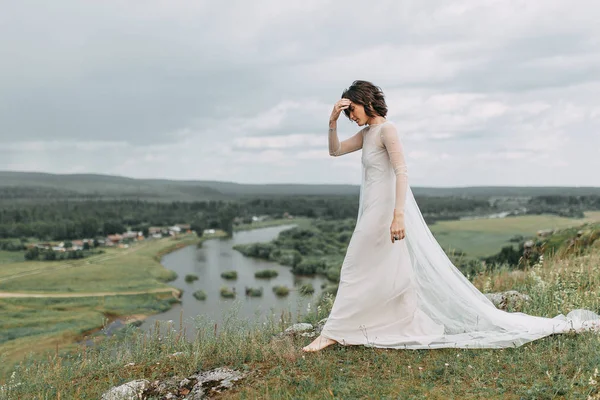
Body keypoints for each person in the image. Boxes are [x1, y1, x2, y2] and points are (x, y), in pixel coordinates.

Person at [302, 80, 600, 352]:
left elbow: (402, 172)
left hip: (385, 213)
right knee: (382, 269)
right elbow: (335, 150)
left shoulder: (387, 130)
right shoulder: (367, 134)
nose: (350, 116)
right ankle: (390, 323)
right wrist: (331, 121)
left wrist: (398, 216)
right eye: (346, 113)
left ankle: (332, 332)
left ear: (364, 101)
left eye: (351, 110)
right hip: (371, 211)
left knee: (354, 267)